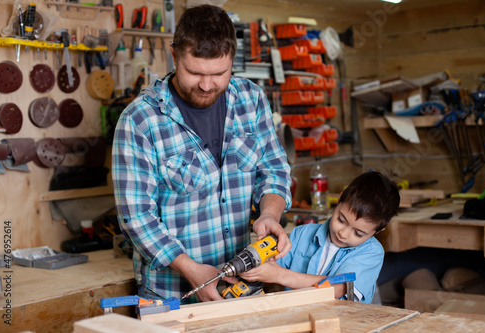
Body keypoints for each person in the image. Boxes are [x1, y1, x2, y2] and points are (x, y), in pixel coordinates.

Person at [111, 4, 292, 304]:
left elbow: (273, 169)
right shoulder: (140, 121)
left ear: (233, 59)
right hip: (173, 296)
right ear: (174, 55)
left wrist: (269, 214)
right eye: (194, 72)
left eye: (219, 73)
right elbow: (137, 218)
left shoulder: (252, 99)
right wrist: (190, 269)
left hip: (240, 289)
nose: (207, 85)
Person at [241, 171, 400, 303]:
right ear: (339, 199)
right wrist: (253, 266)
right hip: (297, 317)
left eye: (358, 233)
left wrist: (279, 275)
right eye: (341, 219)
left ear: (378, 230)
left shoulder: (371, 253)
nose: (343, 234)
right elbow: (272, 262)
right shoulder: (302, 234)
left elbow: (336, 289)